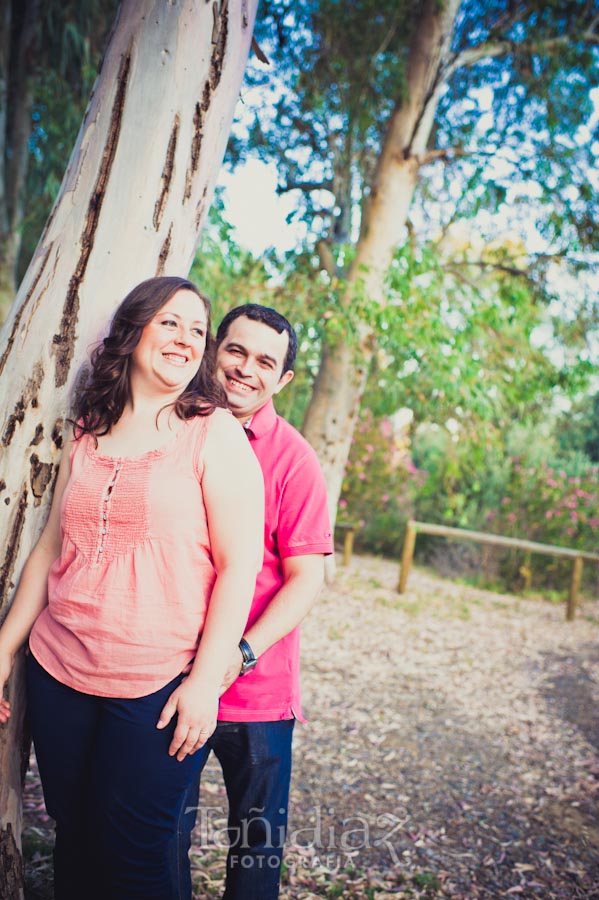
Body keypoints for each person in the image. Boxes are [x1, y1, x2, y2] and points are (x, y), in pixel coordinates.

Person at [0, 276, 264, 900]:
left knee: (137, 856)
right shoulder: (88, 434)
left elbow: (239, 567)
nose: (186, 338)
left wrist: (204, 682)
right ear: (134, 328)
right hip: (59, 670)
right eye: (171, 322)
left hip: (157, 685)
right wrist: (4, 647)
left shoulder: (213, 432)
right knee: (74, 837)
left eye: (198, 329)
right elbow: (49, 552)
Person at [180, 304, 334, 900]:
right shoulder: (176, 428)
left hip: (257, 690)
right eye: (236, 351)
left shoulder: (294, 460)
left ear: (284, 380)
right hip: (172, 676)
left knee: (256, 848)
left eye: (265, 362)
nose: (246, 370)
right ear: (215, 348)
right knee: (163, 834)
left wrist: (241, 654)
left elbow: (306, 579)